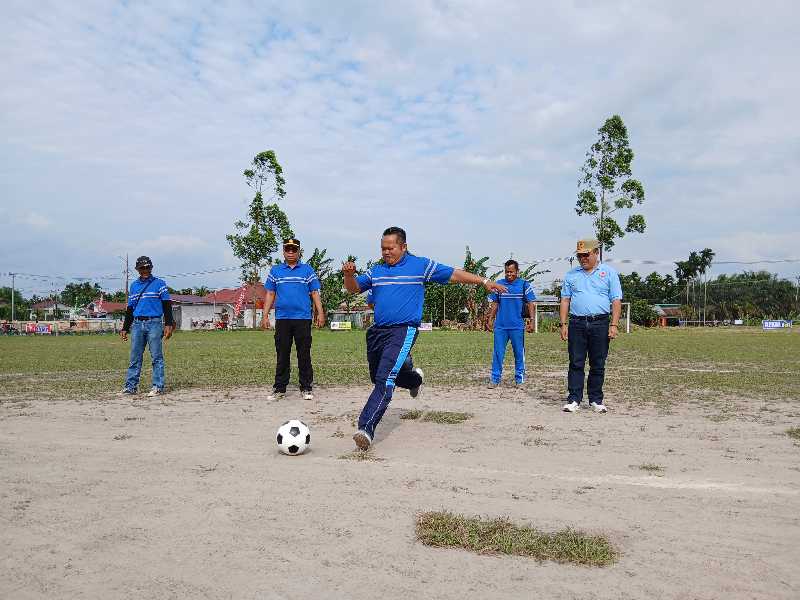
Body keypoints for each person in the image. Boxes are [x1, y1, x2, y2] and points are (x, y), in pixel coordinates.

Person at [342, 226, 508, 450]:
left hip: (403, 331)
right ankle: (415, 380)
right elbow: (353, 289)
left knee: (385, 379)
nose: (386, 252)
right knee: (379, 377)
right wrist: (348, 275)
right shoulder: (376, 271)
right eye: (383, 248)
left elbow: (453, 274)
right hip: (377, 332)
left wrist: (484, 282)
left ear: (403, 247)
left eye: (390, 248)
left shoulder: (419, 266)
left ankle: (366, 428)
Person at [559, 239, 622, 413]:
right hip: (576, 323)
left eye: (586, 255)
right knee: (576, 362)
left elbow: (616, 301)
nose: (582, 259)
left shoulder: (609, 273)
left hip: (600, 323)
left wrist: (614, 324)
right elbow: (565, 300)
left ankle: (596, 399)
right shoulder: (571, 275)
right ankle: (574, 399)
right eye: (579, 256)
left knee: (598, 363)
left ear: (596, 253)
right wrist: (563, 323)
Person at [262, 238, 325, 401]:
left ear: (299, 252)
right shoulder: (275, 271)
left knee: (304, 354)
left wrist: (320, 312)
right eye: (288, 249)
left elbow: (315, 293)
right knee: (282, 353)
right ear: (283, 251)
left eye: (294, 249)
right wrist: (265, 315)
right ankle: (280, 388)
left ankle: (306, 387)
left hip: (303, 318)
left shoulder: (307, 270)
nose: (291, 252)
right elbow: (270, 293)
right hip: (282, 319)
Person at [120, 256, 175, 396]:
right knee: (135, 357)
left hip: (154, 323)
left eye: (147, 267)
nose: (145, 270)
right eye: (142, 268)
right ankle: (131, 387)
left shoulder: (160, 284)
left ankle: (158, 386)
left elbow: (167, 304)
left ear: (151, 268)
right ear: (137, 269)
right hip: (137, 324)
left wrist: (169, 323)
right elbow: (130, 309)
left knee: (156, 356)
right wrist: (125, 328)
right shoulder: (134, 286)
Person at [487, 259, 536, 387]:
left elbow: (531, 303)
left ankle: (519, 379)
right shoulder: (498, 285)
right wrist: (490, 319)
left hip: (517, 327)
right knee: (498, 353)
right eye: (507, 272)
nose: (509, 274)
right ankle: (495, 379)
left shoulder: (524, 284)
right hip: (501, 327)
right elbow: (495, 303)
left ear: (517, 271)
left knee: (519, 353)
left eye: (512, 272)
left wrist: (532, 321)